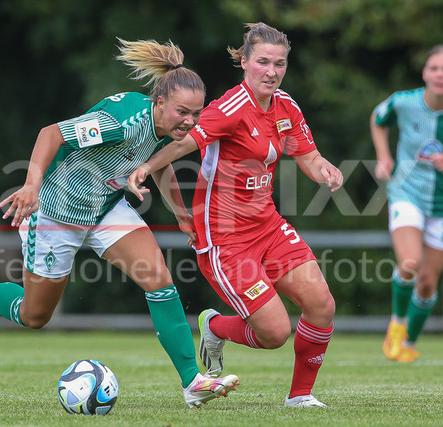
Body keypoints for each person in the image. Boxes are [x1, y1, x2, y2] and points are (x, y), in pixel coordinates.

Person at [0, 38, 239, 408]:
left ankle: (192, 382)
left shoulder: (165, 130)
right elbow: (51, 134)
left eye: (196, 113)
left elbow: (158, 165)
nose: (189, 121)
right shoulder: (121, 122)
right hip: (55, 214)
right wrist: (31, 185)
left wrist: (181, 215)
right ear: (159, 102)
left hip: (106, 209)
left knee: (158, 279)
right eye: (182, 112)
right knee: (35, 315)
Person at [128, 23, 343, 407]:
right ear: (244, 62)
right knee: (275, 333)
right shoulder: (230, 108)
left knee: (322, 305)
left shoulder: (286, 106)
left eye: (279, 64)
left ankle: (300, 396)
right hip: (225, 239)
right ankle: (214, 326)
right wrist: (146, 166)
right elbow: (184, 144)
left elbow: (308, 156)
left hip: (269, 227)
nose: (272, 72)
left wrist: (325, 168)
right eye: (263, 62)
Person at [371, 45, 443, 363]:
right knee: (410, 263)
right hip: (406, 192)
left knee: (426, 283)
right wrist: (384, 157)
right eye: (434, 68)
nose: (440, 74)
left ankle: (409, 342)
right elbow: (378, 119)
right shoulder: (404, 102)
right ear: (424, 73)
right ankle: (397, 324)